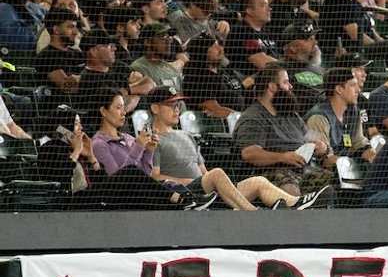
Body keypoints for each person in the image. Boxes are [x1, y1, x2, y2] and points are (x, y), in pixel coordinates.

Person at [149, 86, 326, 210]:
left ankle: (296, 204)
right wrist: (193, 181)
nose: (177, 109)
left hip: (209, 192)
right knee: (217, 173)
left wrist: (211, 183)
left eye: (178, 105)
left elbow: (203, 172)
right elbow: (154, 177)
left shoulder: (187, 135)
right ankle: (252, 215)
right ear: (155, 108)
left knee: (259, 182)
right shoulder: (152, 139)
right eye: (171, 105)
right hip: (186, 193)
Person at [234, 65, 333, 196]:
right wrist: (283, 157)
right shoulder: (253, 117)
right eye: (286, 82)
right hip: (269, 173)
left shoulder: (291, 115)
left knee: (336, 182)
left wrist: (322, 147)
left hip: (303, 170)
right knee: (289, 187)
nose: (291, 87)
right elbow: (250, 154)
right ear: (272, 87)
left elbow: (312, 137)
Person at [306, 67, 375, 167]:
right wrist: (355, 165)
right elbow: (325, 160)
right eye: (352, 85)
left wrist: (372, 153)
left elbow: (359, 142)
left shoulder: (353, 110)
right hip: (327, 174)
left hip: (348, 164)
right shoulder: (318, 118)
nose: (358, 90)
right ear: (339, 89)